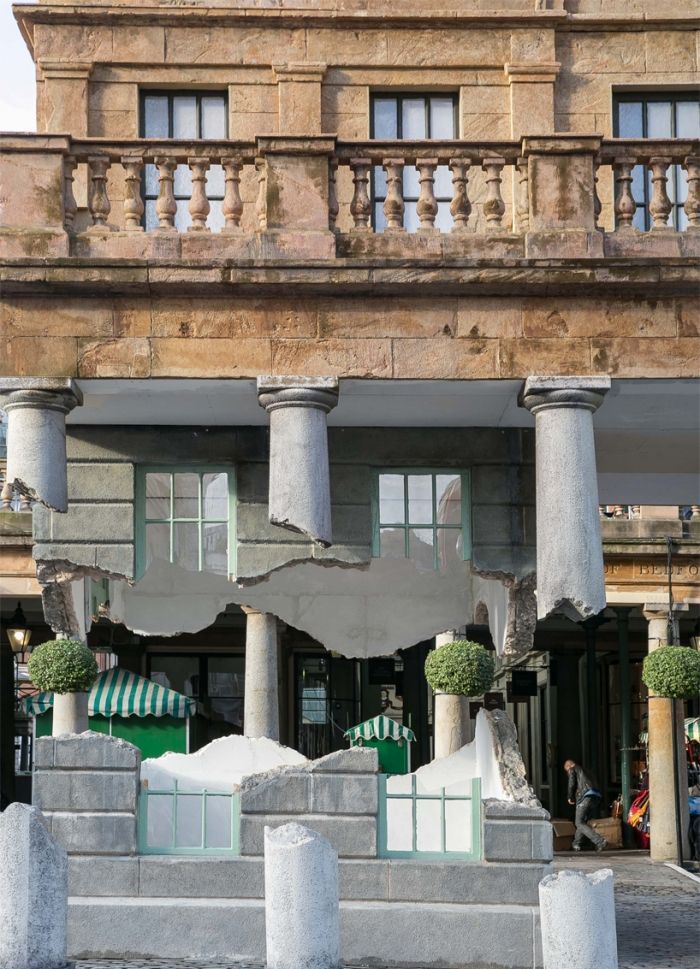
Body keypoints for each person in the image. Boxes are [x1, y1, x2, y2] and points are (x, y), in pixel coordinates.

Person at [564, 759, 608, 852]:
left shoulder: (573, 769)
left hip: (585, 796)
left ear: (569, 767)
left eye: (567, 771)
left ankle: (600, 841)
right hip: (595, 797)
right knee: (582, 822)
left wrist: (570, 797)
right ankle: (576, 844)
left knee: (578, 823)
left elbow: (571, 783)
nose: (568, 773)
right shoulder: (587, 771)